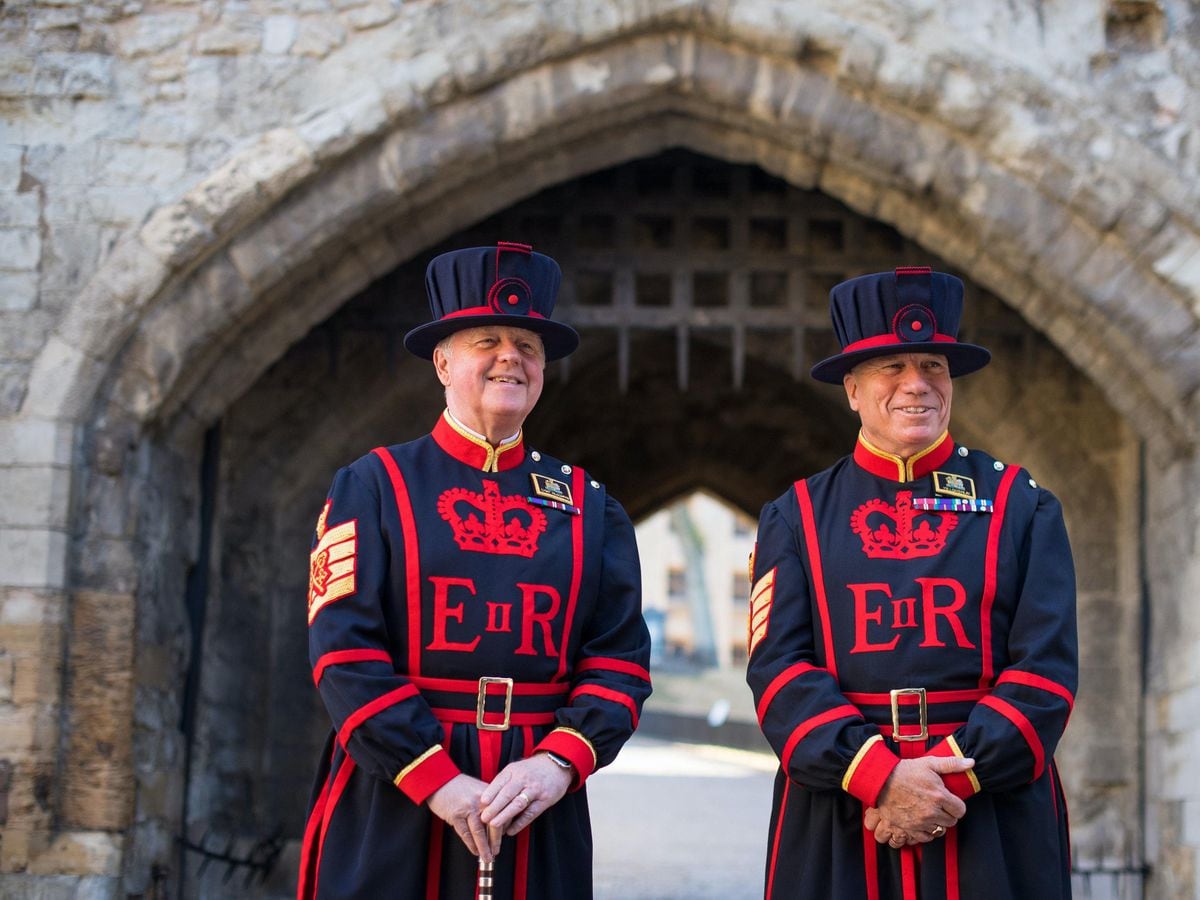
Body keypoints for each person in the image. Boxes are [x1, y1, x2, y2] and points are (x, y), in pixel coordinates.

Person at [297, 241, 652, 899]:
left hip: (536, 801)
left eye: (528, 345)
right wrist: (438, 778)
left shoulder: (589, 506)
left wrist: (556, 764)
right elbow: (341, 652)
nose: (510, 356)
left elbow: (621, 662)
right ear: (442, 362)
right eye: (486, 339)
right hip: (396, 792)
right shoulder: (373, 485)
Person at [746, 267, 1077, 899]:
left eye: (933, 365)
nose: (916, 385)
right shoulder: (796, 515)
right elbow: (780, 674)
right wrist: (879, 777)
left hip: (989, 807)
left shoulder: (1022, 505)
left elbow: (1046, 673)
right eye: (890, 367)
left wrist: (942, 785)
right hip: (843, 807)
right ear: (851, 388)